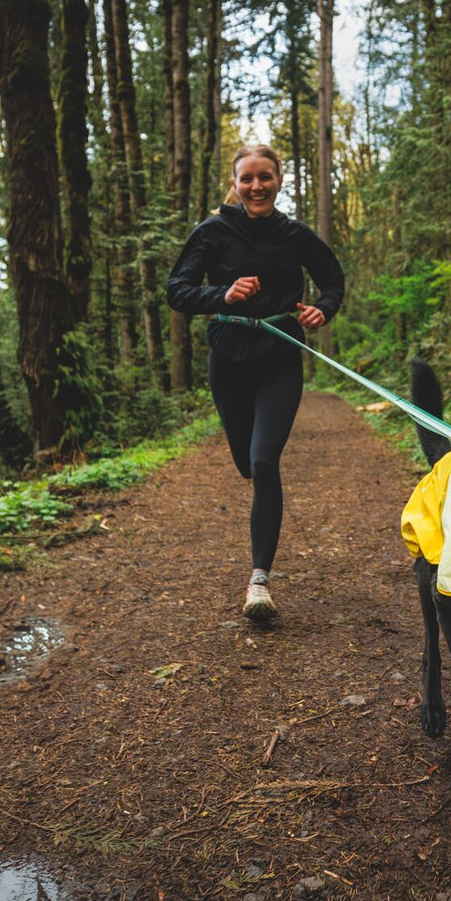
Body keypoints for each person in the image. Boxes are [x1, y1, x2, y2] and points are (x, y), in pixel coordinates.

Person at [166, 144, 345, 622]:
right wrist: (221, 293)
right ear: (237, 182)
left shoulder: (294, 235)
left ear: (279, 180)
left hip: (281, 357)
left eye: (265, 177)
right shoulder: (212, 231)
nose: (256, 186)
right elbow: (176, 290)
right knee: (247, 464)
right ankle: (255, 489)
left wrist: (321, 309)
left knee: (265, 462)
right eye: (247, 178)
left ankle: (259, 581)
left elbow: (332, 280)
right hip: (227, 358)